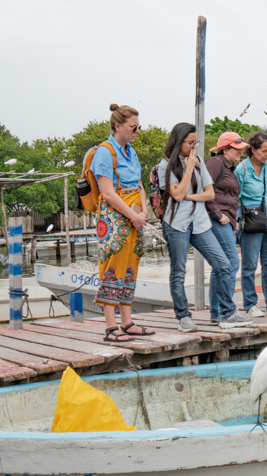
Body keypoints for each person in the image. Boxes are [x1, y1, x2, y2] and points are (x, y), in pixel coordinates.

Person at [157, 123, 246, 331]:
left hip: (199, 222)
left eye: (195, 142)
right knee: (178, 271)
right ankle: (183, 316)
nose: (193, 147)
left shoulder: (199, 162)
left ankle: (226, 313)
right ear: (178, 142)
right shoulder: (166, 166)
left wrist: (189, 196)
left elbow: (209, 194)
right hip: (176, 223)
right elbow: (176, 195)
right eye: (190, 143)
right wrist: (187, 168)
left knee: (223, 264)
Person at [93, 103, 153, 342]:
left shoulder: (131, 151)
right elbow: (107, 192)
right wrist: (133, 214)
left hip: (134, 213)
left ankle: (127, 322)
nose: (137, 131)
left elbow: (139, 184)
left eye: (139, 126)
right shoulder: (105, 151)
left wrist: (144, 210)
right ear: (118, 126)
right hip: (114, 215)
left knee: (130, 264)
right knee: (112, 264)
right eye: (133, 127)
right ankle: (110, 326)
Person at [234, 132, 267, 317]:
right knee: (250, 264)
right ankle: (250, 304)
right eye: (263, 150)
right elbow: (235, 197)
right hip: (251, 217)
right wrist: (237, 221)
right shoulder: (242, 169)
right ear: (252, 149)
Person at [204, 131, 248, 324]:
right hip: (215, 220)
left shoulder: (228, 167)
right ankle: (227, 312)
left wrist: (231, 218)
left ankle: (217, 312)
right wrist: (219, 214)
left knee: (220, 266)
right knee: (231, 262)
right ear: (225, 148)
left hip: (225, 220)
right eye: (236, 149)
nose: (240, 152)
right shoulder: (215, 163)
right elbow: (204, 191)